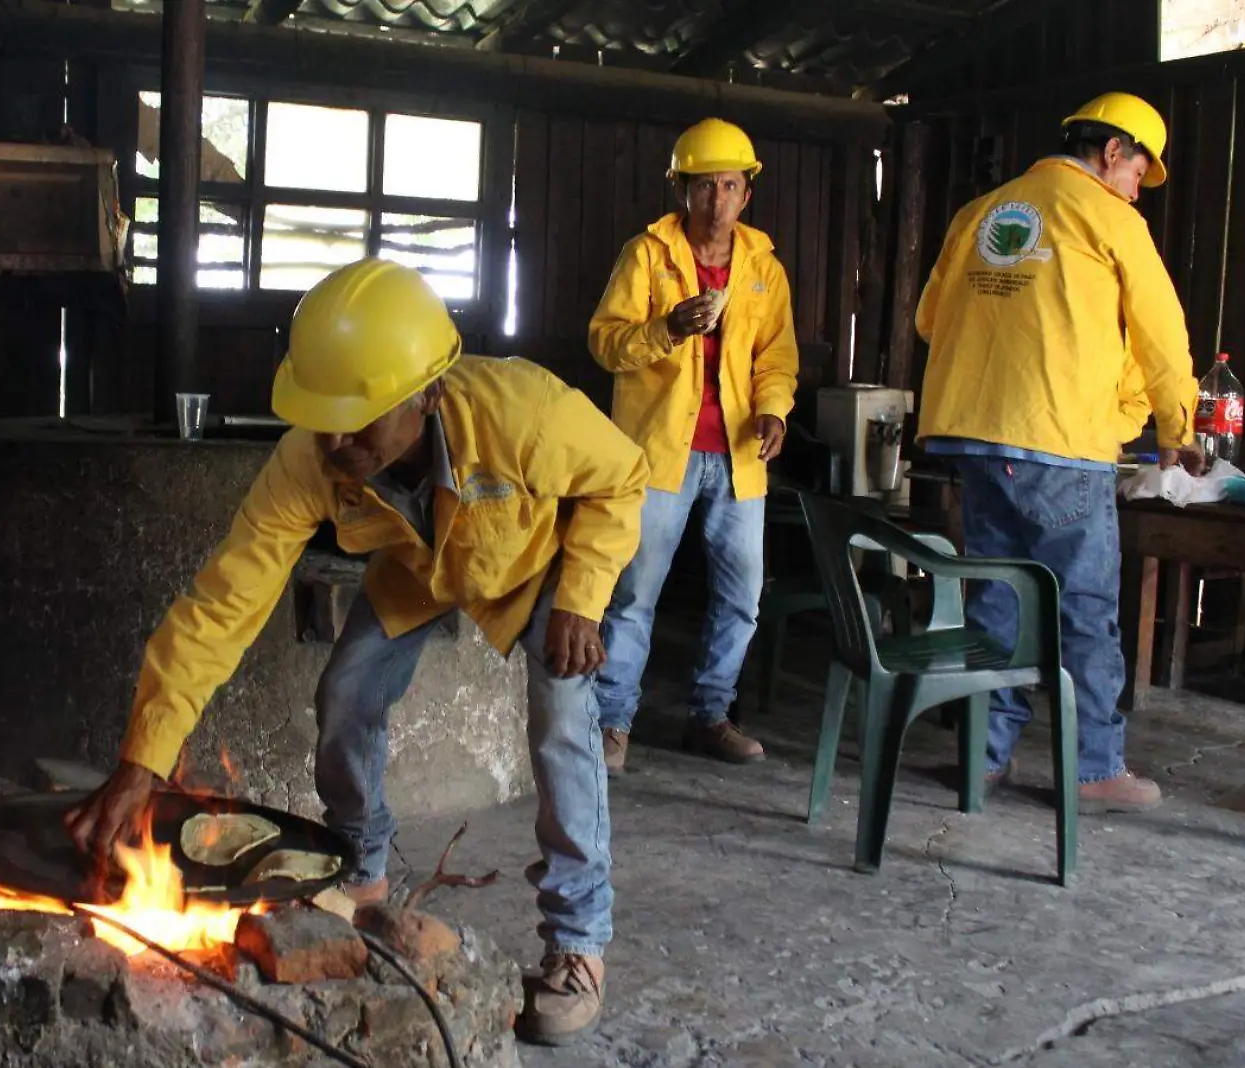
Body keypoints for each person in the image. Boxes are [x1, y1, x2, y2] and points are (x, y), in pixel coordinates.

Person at [65, 258, 649, 1046]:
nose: (338, 440)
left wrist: (582, 597)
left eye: (361, 418)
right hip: (422, 564)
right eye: (323, 416)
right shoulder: (314, 459)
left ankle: (578, 945)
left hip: (542, 564)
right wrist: (144, 758)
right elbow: (221, 604)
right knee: (345, 694)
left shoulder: (524, 413)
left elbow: (623, 478)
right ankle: (361, 874)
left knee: (561, 722)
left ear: (429, 395)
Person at [915, 91, 1206, 813]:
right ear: (1112, 153)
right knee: (1082, 607)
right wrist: (1177, 428)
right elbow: (1163, 337)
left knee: (1000, 603)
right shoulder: (1110, 217)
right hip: (1057, 441)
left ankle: (983, 759)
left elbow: (929, 320)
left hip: (977, 437)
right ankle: (1095, 769)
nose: (1139, 186)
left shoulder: (982, 211)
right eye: (1140, 170)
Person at [586, 117, 800, 774]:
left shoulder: (764, 267)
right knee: (633, 595)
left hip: (740, 462)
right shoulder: (647, 255)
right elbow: (604, 343)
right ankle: (611, 724)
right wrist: (666, 328)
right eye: (703, 187)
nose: (717, 202)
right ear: (681, 191)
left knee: (741, 599)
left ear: (746, 195)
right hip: (657, 457)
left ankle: (710, 716)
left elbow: (778, 359)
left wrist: (774, 413)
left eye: (729, 187)